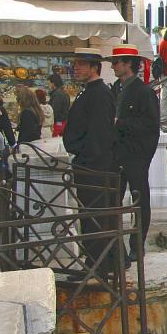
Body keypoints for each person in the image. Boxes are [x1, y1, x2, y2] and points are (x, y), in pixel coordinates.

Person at [63, 48, 118, 277]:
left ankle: (98, 265)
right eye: (76, 64)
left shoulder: (99, 94)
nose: (76, 68)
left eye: (81, 64)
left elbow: (99, 135)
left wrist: (85, 159)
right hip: (89, 165)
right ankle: (99, 263)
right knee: (91, 216)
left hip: (93, 167)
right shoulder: (91, 92)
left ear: (94, 67)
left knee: (95, 216)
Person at [108, 46, 160, 264]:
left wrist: (121, 123)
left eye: (116, 62)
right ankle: (114, 248)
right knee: (112, 200)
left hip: (136, 155)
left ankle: (136, 247)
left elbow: (150, 125)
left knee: (139, 201)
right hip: (117, 154)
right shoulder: (114, 90)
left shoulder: (143, 91)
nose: (112, 66)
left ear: (128, 63)